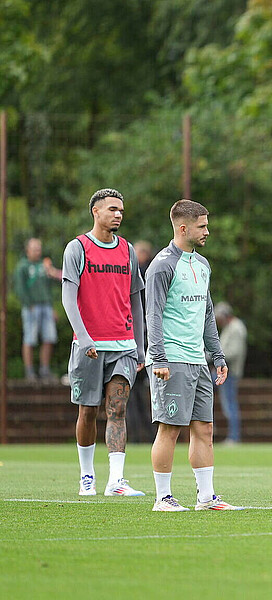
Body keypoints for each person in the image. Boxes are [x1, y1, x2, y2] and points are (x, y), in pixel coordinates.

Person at [146, 199, 240, 511]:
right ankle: (163, 498)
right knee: (170, 428)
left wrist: (217, 355)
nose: (207, 231)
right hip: (171, 359)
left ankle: (206, 497)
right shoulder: (162, 265)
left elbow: (207, 312)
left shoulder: (202, 265)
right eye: (202, 226)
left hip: (198, 360)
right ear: (183, 228)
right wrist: (157, 358)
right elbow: (153, 315)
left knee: (205, 429)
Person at [61, 188, 146, 497]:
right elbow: (69, 297)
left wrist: (140, 342)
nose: (118, 214)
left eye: (121, 209)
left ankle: (116, 481)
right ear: (95, 212)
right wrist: (83, 338)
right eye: (112, 209)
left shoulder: (128, 250)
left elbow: (135, 297)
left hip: (123, 344)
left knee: (117, 409)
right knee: (87, 411)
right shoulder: (78, 248)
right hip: (90, 347)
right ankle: (87, 475)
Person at [14, 238, 61, 382]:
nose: (37, 252)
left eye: (39, 249)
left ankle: (44, 370)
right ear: (27, 250)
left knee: (49, 337)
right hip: (31, 307)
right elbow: (19, 288)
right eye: (34, 249)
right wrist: (29, 304)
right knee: (30, 339)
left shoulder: (44, 265)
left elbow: (48, 287)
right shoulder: (22, 266)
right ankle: (29, 372)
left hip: (46, 305)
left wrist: (51, 306)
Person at [125, 240, 157, 442]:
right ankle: (143, 430)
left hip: (141, 337)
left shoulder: (142, 273)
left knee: (135, 392)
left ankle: (138, 432)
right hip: (143, 336)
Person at [215, 301, 247, 444]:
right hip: (224, 371)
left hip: (230, 372)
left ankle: (234, 436)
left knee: (230, 404)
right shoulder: (230, 327)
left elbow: (234, 352)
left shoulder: (236, 328)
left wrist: (215, 357)